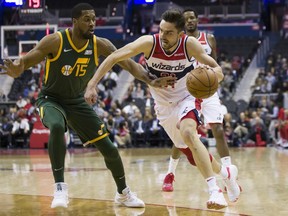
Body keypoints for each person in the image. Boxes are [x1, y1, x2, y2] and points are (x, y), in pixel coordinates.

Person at [0, 3, 175, 209]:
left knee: (109, 148)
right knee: (56, 126)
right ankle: (60, 188)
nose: (92, 23)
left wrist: (150, 80)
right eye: (87, 19)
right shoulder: (55, 41)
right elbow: (26, 61)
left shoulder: (100, 44)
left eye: (93, 19)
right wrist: (17, 68)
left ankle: (123, 193)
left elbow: (128, 63)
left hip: (77, 102)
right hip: (51, 99)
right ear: (74, 21)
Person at [84, 9, 240, 210]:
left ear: (180, 34)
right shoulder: (150, 43)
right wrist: (92, 84)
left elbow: (217, 69)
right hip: (163, 106)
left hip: (187, 97)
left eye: (169, 32)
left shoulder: (189, 44)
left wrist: (212, 77)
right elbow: (114, 56)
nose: (163, 36)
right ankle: (226, 174)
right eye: (161, 30)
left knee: (189, 133)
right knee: (192, 154)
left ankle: (215, 191)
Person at [162, 8, 241, 193]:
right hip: (187, 90)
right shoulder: (179, 41)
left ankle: (229, 171)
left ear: (197, 20)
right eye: (186, 19)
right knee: (183, 134)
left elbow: (214, 63)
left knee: (218, 129)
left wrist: (214, 82)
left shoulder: (209, 38)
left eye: (192, 18)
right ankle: (170, 173)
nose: (189, 21)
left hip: (207, 87)